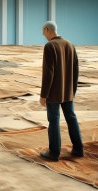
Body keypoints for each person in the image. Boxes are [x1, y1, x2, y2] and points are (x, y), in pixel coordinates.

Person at [39, 21, 84, 161]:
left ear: (47, 30)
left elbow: (49, 73)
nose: (44, 36)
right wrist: (72, 91)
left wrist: (43, 95)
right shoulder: (70, 44)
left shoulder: (50, 46)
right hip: (68, 92)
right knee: (71, 118)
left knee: (54, 121)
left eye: (43, 33)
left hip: (54, 92)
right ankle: (78, 149)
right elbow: (76, 70)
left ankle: (54, 153)